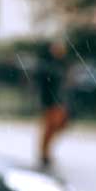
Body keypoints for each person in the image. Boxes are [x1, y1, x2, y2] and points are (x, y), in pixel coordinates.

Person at [36, 37, 72, 168]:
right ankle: (44, 153)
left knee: (58, 126)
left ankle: (45, 152)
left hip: (60, 101)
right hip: (51, 101)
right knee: (50, 127)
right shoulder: (48, 65)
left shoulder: (63, 64)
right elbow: (45, 84)